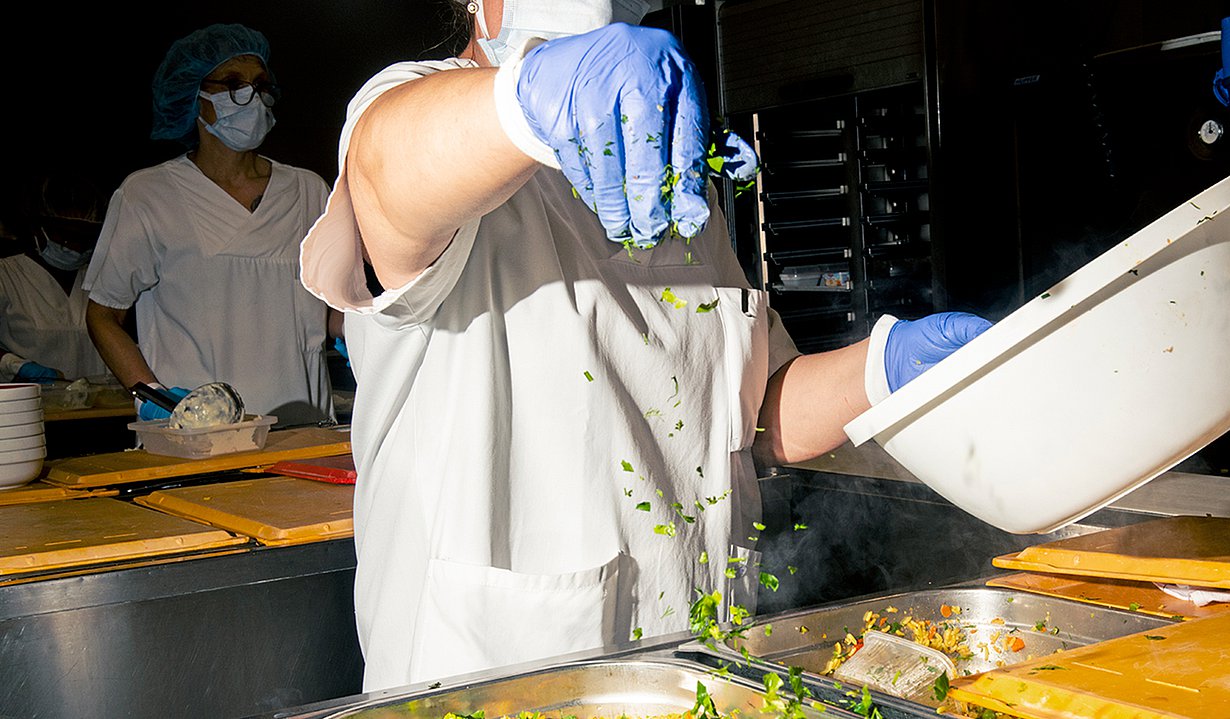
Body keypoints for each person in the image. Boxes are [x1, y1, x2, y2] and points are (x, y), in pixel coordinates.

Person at [300, 0, 992, 691]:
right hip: (499, 678)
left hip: (696, 662)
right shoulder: (420, 110)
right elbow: (386, 174)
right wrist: (529, 99)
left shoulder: (668, 170)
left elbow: (752, 408)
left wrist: (887, 370)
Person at [84, 23, 338, 426]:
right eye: (233, 83)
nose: (252, 97)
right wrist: (154, 397)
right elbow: (103, 314)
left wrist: (365, 329)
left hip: (301, 431)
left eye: (260, 85)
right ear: (195, 96)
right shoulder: (149, 195)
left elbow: (327, 309)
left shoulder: (307, 190)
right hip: (197, 434)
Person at [0, 171, 112, 383]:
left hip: (100, 407)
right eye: (67, 236)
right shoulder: (6, 277)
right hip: (25, 407)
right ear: (38, 227)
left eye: (86, 237)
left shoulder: (101, 280)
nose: (77, 246)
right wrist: (11, 364)